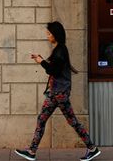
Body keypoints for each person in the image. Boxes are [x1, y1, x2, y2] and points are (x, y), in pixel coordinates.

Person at [15, 21, 101, 161]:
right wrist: (42, 60)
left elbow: (53, 70)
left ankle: (92, 148)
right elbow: (53, 69)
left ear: (56, 34)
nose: (47, 36)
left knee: (72, 121)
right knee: (41, 119)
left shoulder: (61, 50)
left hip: (60, 94)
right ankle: (31, 151)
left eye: (49, 33)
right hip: (54, 93)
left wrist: (41, 61)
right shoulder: (58, 50)